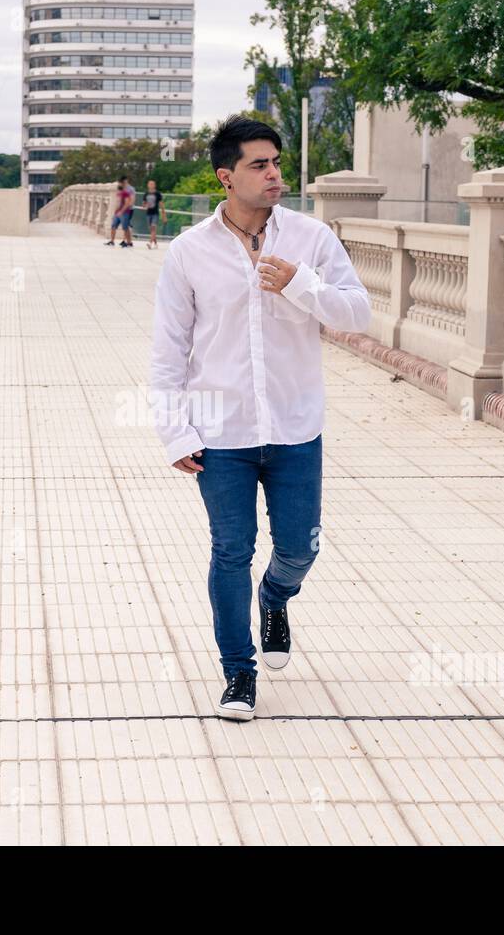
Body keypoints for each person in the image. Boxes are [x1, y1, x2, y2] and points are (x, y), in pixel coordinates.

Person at [148, 116, 371, 722]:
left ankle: (275, 597)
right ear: (227, 177)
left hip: (297, 426)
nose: (275, 174)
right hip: (220, 432)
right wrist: (175, 430)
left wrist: (302, 285)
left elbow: (358, 315)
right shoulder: (189, 252)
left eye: (276, 163)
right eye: (260, 165)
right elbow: (169, 351)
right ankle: (238, 674)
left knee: (299, 548)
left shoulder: (312, 239)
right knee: (230, 550)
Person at [105, 175, 134, 248]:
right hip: (118, 213)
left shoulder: (126, 193)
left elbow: (127, 203)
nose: (119, 185)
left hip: (125, 212)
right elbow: (118, 203)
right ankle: (112, 241)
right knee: (113, 226)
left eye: (120, 183)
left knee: (125, 227)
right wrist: (116, 211)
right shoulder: (119, 193)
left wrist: (122, 211)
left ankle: (129, 242)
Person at [143, 179, 161, 249]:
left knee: (153, 228)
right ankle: (156, 243)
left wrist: (163, 214)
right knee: (151, 230)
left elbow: (161, 204)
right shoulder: (146, 194)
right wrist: (146, 205)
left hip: (155, 213)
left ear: (154, 185)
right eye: (150, 184)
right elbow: (143, 204)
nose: (151, 185)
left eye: (152, 184)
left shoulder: (157, 194)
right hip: (148, 213)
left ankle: (150, 243)